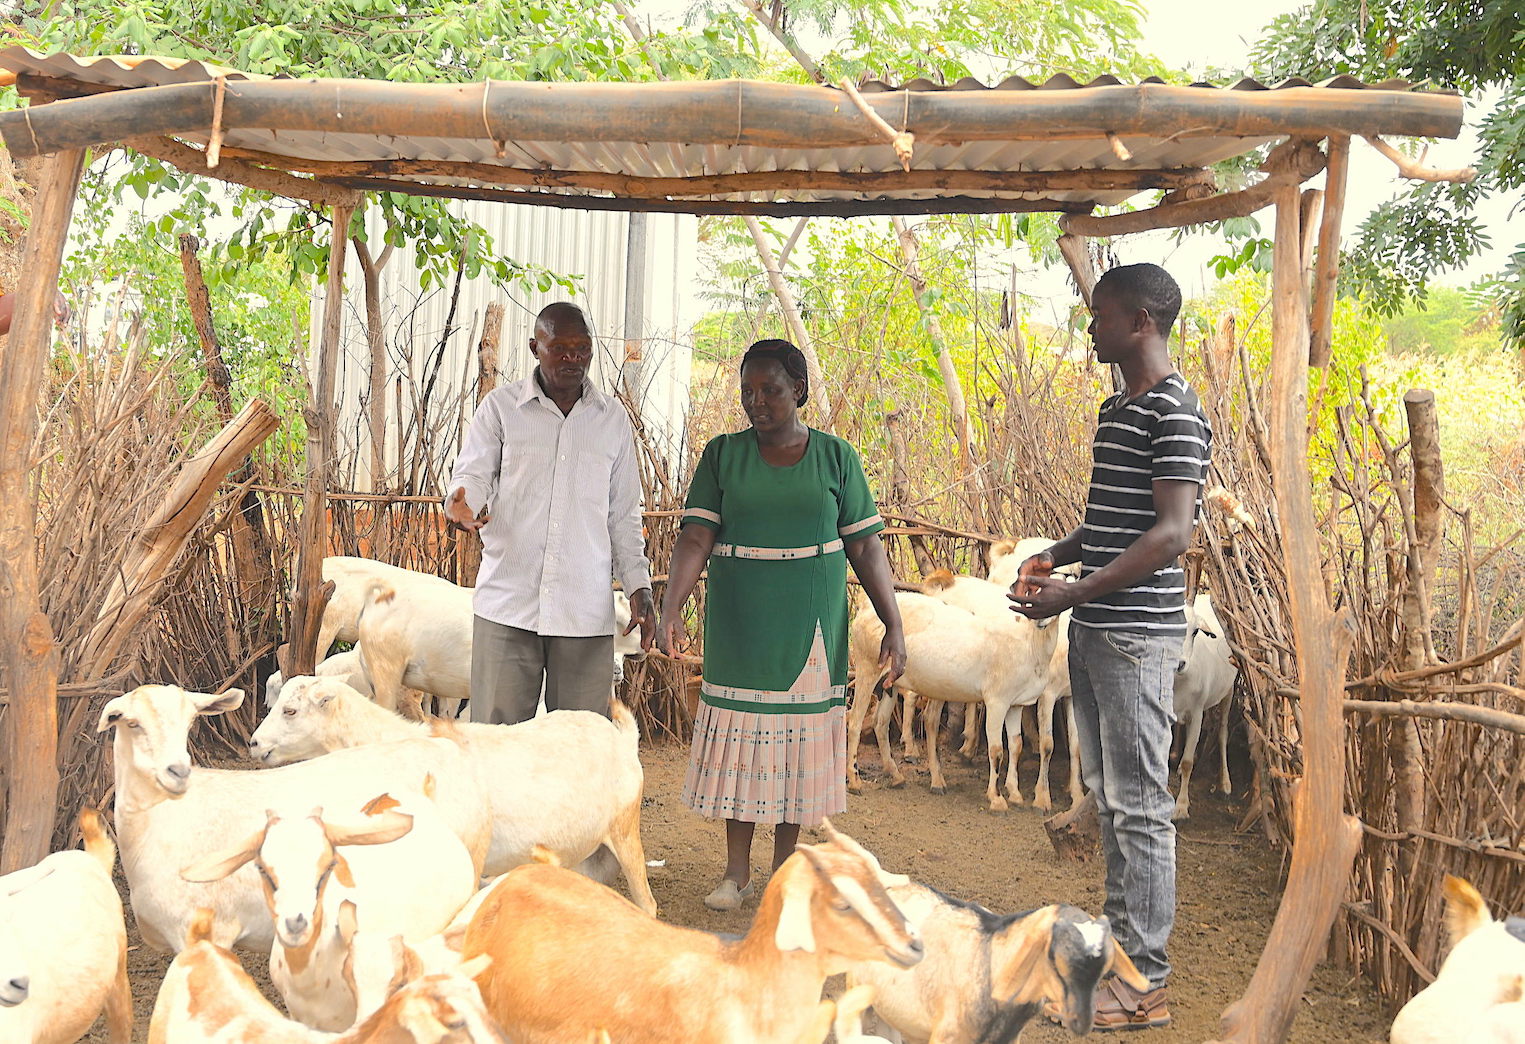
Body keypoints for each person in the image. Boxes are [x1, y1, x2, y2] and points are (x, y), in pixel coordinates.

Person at [1010, 264, 1211, 1032]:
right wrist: (1054, 558)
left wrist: (1076, 592)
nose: (1088, 325)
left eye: (1100, 314)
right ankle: (1119, 963)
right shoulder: (1114, 407)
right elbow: (1110, 524)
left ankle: (1144, 981)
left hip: (1133, 635)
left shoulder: (1175, 409)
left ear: (1141, 323)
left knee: (1140, 810)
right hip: (1097, 627)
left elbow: (1171, 534)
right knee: (1114, 800)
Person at [657, 338, 905, 911]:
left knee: (793, 751)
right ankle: (736, 874)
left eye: (770, 389)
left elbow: (866, 546)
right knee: (744, 744)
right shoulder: (722, 455)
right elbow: (696, 537)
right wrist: (671, 607)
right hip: (741, 621)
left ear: (798, 389)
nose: (757, 401)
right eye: (747, 391)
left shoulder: (836, 457)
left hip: (810, 622)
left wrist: (894, 624)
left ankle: (783, 874)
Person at [445, 301, 654, 724]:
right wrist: (462, 502)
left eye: (582, 349)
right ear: (534, 348)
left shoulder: (612, 421)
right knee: (496, 744)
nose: (572, 359)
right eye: (559, 348)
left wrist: (639, 588)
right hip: (508, 605)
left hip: (583, 613)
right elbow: (473, 476)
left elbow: (623, 515)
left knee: (578, 748)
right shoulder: (501, 409)